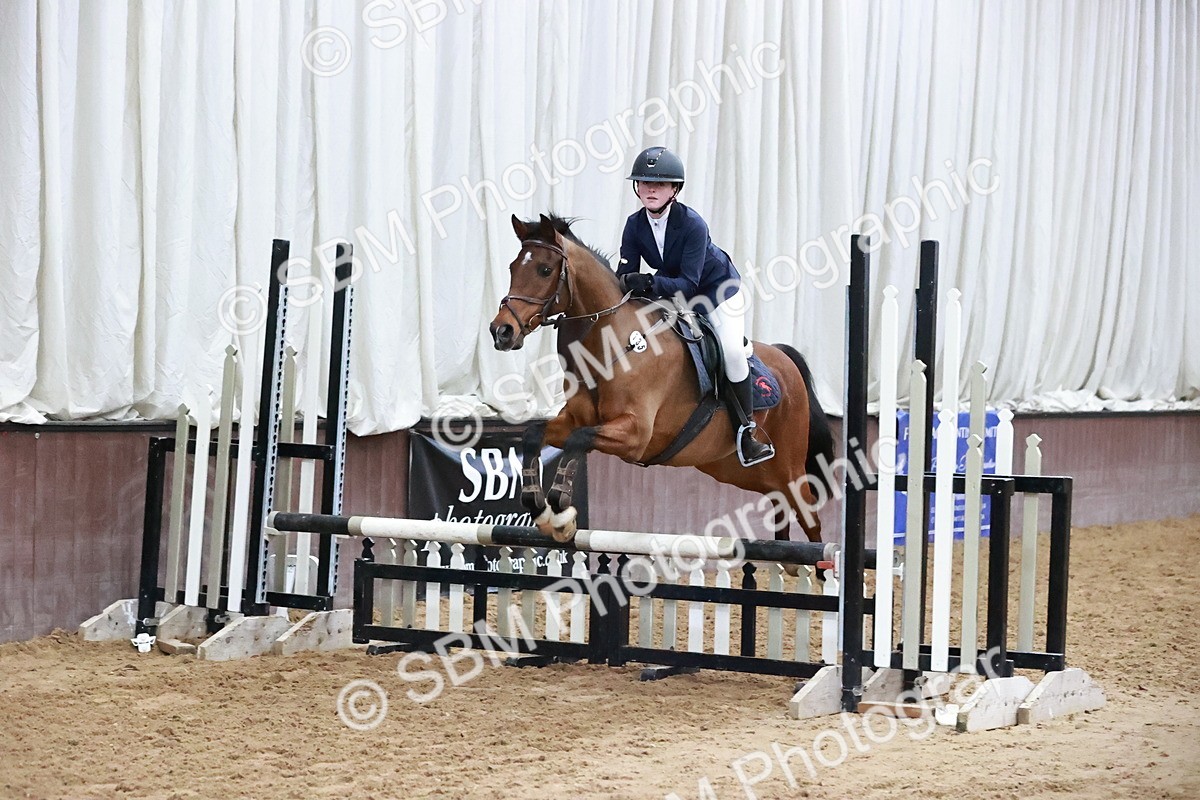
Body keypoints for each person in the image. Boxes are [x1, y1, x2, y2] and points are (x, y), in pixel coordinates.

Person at [616, 146, 774, 466]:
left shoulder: (692, 225)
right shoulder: (635, 224)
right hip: (673, 293)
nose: (649, 189)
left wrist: (647, 282)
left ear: (674, 189)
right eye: (644, 183)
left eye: (658, 184)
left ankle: (747, 432)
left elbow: (689, 284)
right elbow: (624, 275)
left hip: (717, 292)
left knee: (730, 350)